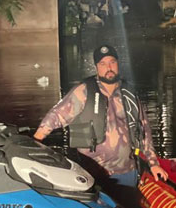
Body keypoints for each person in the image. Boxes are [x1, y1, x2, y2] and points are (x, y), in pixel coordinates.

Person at [33, 44, 167, 188]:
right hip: (92, 174)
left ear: (118, 64)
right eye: (103, 64)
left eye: (112, 62)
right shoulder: (84, 91)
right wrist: (35, 143)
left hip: (127, 172)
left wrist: (153, 164)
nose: (108, 67)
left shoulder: (129, 93)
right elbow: (55, 116)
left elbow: (144, 130)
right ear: (97, 67)